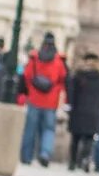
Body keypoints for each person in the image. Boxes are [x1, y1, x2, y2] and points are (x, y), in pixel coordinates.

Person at [20, 34, 67, 166]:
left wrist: (31, 90)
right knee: (48, 129)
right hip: (51, 101)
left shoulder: (34, 58)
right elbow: (62, 80)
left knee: (30, 129)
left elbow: (27, 76)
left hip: (34, 98)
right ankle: (45, 153)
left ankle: (26, 156)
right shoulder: (58, 61)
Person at [66, 51, 99, 171]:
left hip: (78, 110)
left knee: (76, 138)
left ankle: (72, 162)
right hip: (93, 112)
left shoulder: (78, 75)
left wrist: (71, 105)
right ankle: (84, 158)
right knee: (89, 139)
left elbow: (71, 93)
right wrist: (97, 105)